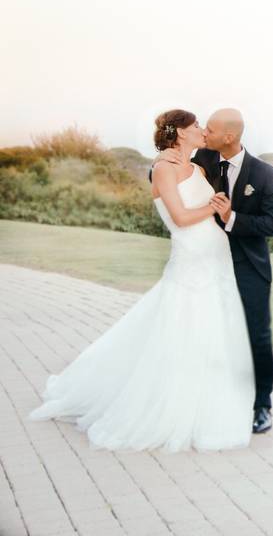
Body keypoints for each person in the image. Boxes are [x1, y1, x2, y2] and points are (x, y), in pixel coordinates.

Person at [29, 109, 256, 452]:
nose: (201, 130)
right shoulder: (163, 168)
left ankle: (210, 397)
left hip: (216, 259)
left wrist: (222, 206)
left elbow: (229, 157)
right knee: (183, 325)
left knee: (213, 328)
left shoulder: (197, 167)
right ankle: (170, 404)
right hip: (191, 260)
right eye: (196, 126)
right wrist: (213, 207)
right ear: (180, 133)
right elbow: (180, 218)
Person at [153, 107, 273, 433]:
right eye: (201, 127)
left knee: (255, 334)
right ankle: (215, 398)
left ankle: (261, 405)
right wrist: (165, 164)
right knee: (212, 331)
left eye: (209, 129)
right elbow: (167, 180)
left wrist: (231, 218)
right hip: (206, 261)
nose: (204, 133)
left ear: (230, 136)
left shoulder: (264, 173)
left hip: (247, 264)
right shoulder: (201, 159)